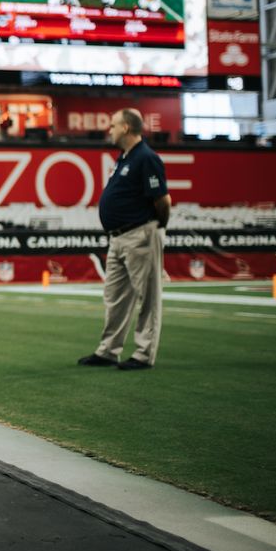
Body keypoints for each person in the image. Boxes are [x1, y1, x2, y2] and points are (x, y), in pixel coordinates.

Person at [78, 108, 170, 371]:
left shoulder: (146, 158)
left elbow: (162, 200)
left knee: (148, 297)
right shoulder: (125, 158)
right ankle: (108, 350)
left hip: (140, 233)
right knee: (115, 296)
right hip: (118, 238)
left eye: (113, 125)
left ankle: (143, 353)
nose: (110, 130)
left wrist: (156, 229)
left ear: (127, 127)